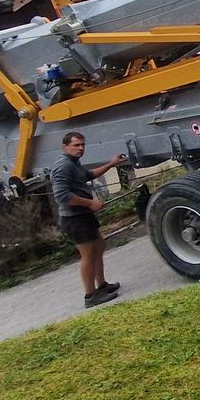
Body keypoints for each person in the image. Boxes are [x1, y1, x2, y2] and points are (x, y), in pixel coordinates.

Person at [50, 131, 127, 307]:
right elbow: (62, 196)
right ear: (65, 146)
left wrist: (112, 164)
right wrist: (90, 203)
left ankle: (101, 285)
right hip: (74, 219)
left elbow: (89, 175)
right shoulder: (63, 166)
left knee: (99, 246)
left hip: (83, 215)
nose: (81, 148)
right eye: (76, 145)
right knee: (88, 255)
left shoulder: (74, 163)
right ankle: (90, 296)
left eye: (83, 145)